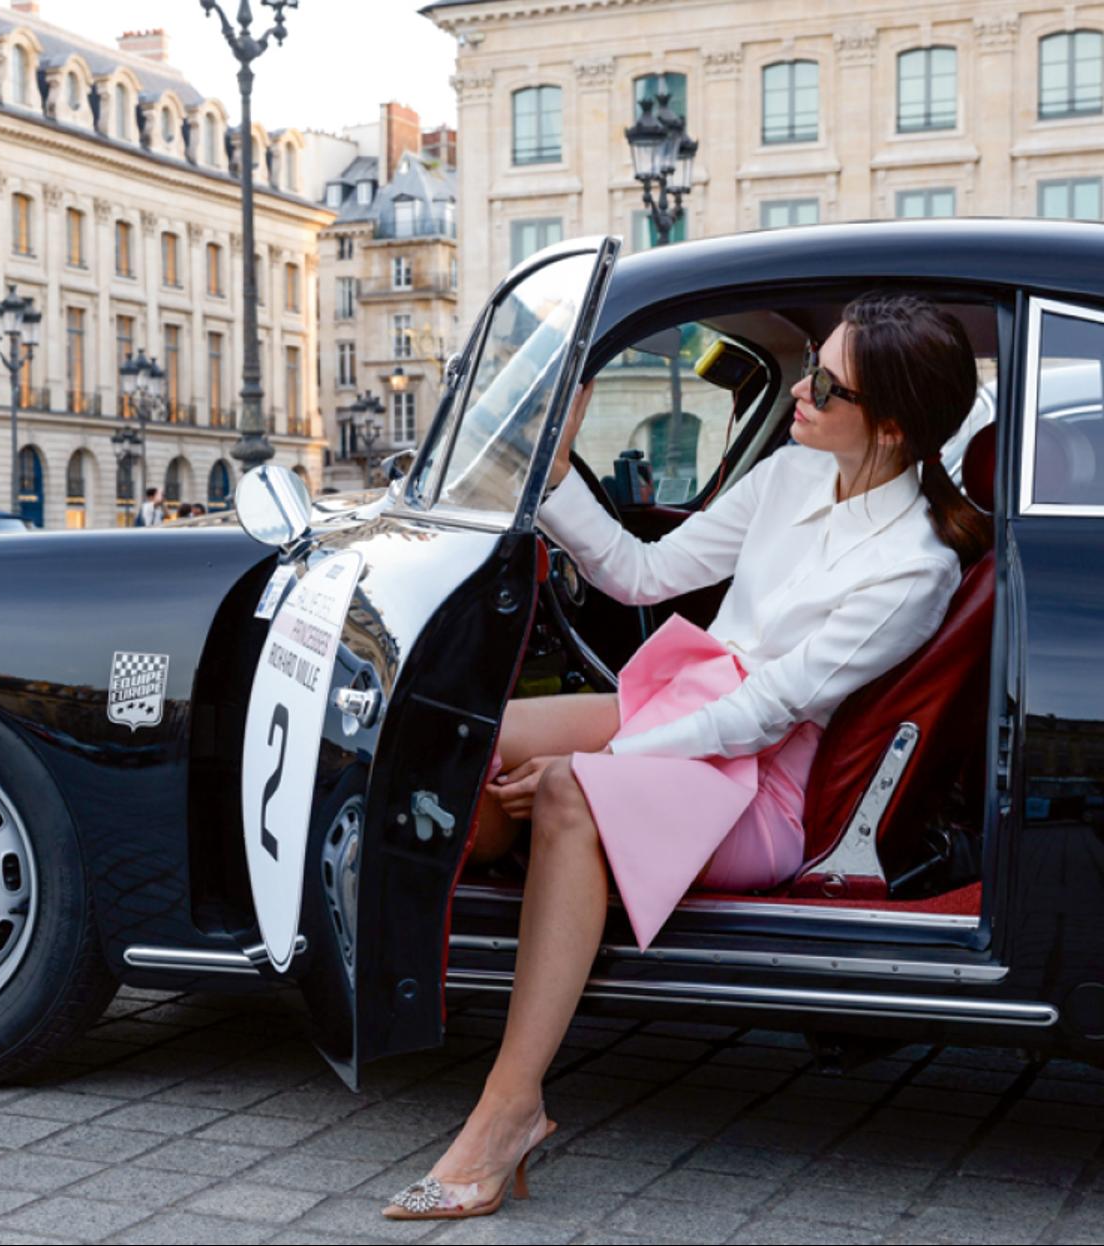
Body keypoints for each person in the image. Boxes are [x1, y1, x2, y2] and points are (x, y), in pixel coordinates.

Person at [382, 292, 992, 1220]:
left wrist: (611, 765)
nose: (802, 390)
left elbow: (764, 712)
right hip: (687, 708)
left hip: (763, 786)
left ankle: (510, 1109)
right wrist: (547, 470)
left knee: (571, 798)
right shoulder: (791, 473)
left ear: (895, 426)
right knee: (480, 741)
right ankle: (472, 936)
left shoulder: (916, 564)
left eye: (826, 384)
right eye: (808, 368)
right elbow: (640, 573)